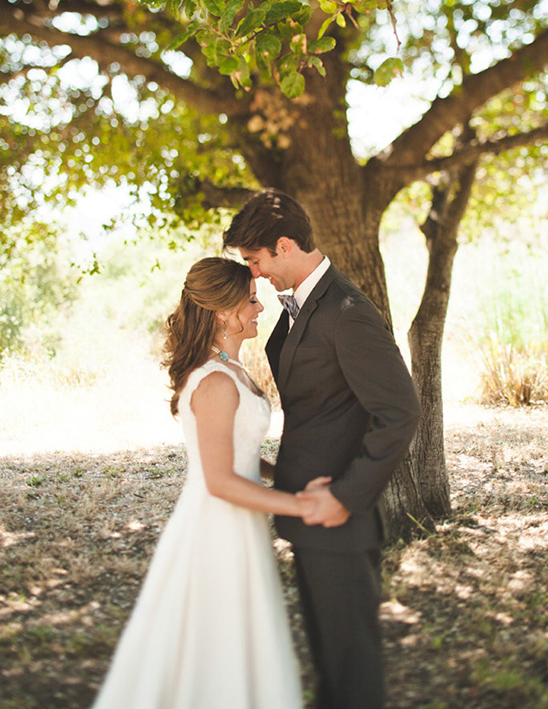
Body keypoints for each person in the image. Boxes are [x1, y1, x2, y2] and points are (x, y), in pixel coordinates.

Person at [223, 190, 422, 709]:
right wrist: (263, 464)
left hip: (338, 521)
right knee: (330, 664)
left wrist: (345, 496)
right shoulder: (300, 308)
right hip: (304, 516)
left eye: (256, 261)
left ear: (284, 246)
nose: (256, 274)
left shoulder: (347, 310)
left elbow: (400, 411)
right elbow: (319, 412)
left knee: (352, 671)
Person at [90, 257, 317, 709]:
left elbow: (240, 450)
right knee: (216, 642)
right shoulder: (215, 381)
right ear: (222, 312)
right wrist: (305, 506)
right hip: (217, 527)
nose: (259, 308)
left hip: (239, 525)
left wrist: (284, 474)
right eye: (251, 301)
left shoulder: (230, 369)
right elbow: (219, 480)